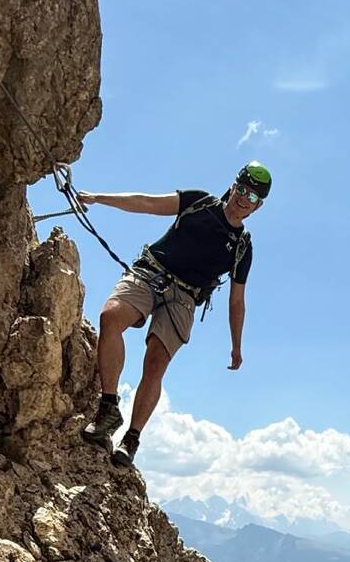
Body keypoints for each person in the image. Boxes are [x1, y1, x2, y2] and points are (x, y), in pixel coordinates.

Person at [75, 161, 271, 466]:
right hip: (151, 272)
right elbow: (147, 203)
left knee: (155, 363)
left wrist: (236, 345)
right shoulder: (199, 202)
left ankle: (131, 439)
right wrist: (99, 198)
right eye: (242, 190)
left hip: (184, 299)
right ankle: (108, 408)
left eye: (253, 198)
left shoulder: (242, 248)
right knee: (111, 317)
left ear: (258, 207)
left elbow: (237, 301)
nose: (244, 199)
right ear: (233, 187)